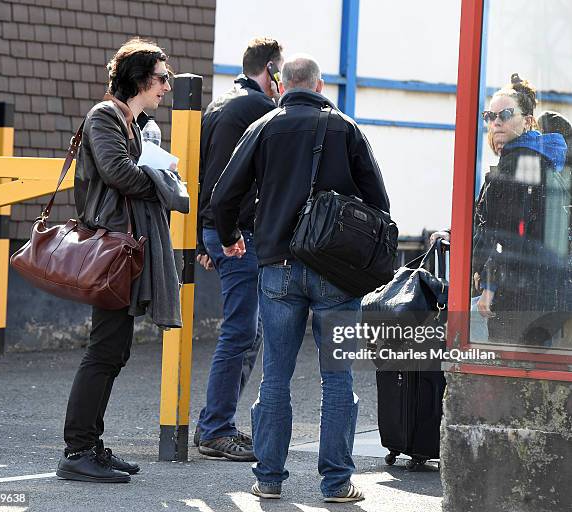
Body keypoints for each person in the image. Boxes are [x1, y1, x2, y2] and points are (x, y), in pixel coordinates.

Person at [211, 54, 389, 502]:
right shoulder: (345, 128)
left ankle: (269, 478)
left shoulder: (264, 126)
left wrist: (232, 236)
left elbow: (224, 192)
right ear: (320, 85)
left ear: (283, 84)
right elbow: (379, 202)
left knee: (275, 377)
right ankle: (336, 483)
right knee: (338, 379)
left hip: (278, 268)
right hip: (337, 272)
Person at [57, 38, 182, 483]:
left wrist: (156, 173)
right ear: (139, 79)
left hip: (125, 250)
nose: (166, 86)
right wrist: (165, 181)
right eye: (162, 78)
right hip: (111, 250)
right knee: (104, 350)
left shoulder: (133, 122)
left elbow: (133, 174)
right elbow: (119, 174)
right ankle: (77, 450)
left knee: (114, 350)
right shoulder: (105, 116)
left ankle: (90, 444)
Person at [194, 37, 283, 461]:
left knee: (248, 330)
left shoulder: (217, 106)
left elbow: (198, 172)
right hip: (238, 233)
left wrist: (203, 236)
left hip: (218, 228)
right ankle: (215, 429)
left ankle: (215, 420)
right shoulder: (261, 110)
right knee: (241, 331)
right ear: (271, 70)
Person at [472, 74, 568, 343]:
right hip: (546, 291)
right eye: (489, 115)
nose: (496, 121)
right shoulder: (540, 158)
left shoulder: (519, 162)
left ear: (526, 121)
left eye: (504, 113)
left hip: (520, 294)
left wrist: (490, 286)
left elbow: (509, 234)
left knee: (513, 374)